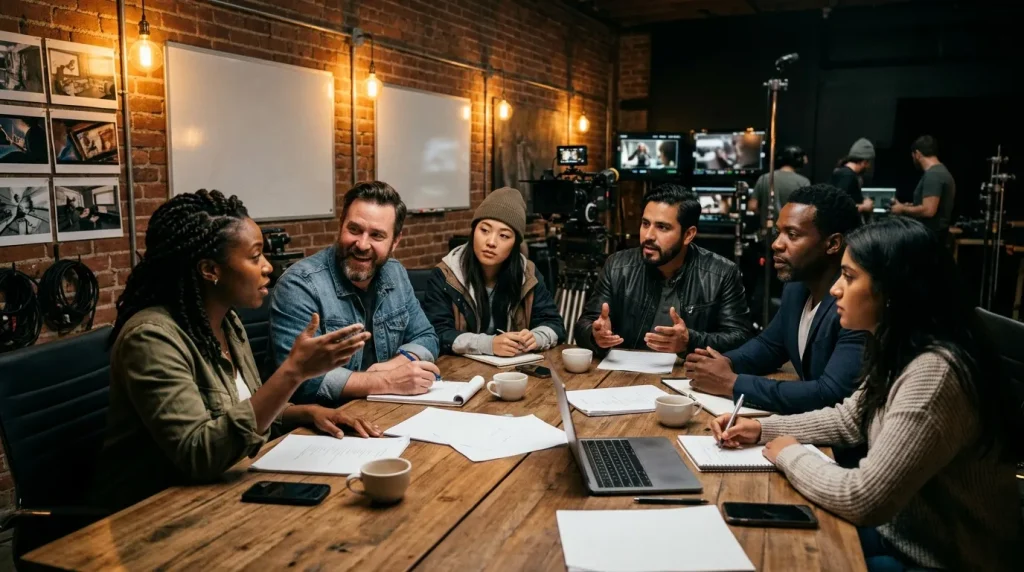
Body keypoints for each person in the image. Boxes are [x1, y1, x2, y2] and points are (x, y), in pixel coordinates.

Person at [710, 216, 1023, 571]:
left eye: (850, 277)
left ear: (893, 291)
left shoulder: (934, 373)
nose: (835, 290)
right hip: (904, 534)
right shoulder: (900, 346)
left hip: (943, 557)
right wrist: (764, 429)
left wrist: (790, 454)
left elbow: (863, 497)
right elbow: (849, 418)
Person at [92, 190, 382, 513]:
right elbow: (198, 454)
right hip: (153, 514)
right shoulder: (150, 339)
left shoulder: (227, 322)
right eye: (255, 256)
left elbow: (244, 409)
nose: (268, 266)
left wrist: (307, 413)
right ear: (210, 270)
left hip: (222, 496)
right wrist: (293, 372)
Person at [685, 184, 866, 415]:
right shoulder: (796, 288)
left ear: (832, 244)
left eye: (792, 235)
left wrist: (732, 383)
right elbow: (769, 346)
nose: (776, 244)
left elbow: (830, 394)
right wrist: (722, 363)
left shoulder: (855, 304)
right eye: (778, 232)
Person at [269, 181, 440, 406]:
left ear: (395, 241)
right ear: (341, 225)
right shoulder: (300, 285)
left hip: (386, 410)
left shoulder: (395, 273)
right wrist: (387, 381)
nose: (362, 244)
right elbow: (299, 380)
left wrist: (396, 365)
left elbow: (427, 337)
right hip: (323, 423)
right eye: (354, 230)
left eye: (377, 235)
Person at [575, 184, 752, 357]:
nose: (649, 235)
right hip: (624, 375)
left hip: (687, 376)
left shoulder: (722, 273)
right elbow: (585, 324)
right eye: (645, 224)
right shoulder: (617, 266)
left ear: (688, 235)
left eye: (662, 227)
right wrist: (595, 335)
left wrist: (690, 341)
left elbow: (740, 337)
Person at [423, 187, 565, 356]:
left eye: (504, 235)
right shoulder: (446, 275)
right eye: (484, 230)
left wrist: (536, 337)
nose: (491, 242)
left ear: (515, 245)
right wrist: (488, 344)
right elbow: (436, 333)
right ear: (473, 231)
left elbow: (555, 325)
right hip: (459, 375)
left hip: (513, 375)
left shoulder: (528, 275)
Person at [891, 135, 955, 244]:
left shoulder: (933, 175)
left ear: (917, 154)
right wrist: (908, 206)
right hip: (935, 236)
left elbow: (928, 210)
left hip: (930, 237)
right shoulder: (941, 172)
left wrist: (902, 209)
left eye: (913, 156)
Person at [748, 145, 811, 215]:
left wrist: (763, 215)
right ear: (799, 161)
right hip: (791, 225)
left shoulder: (764, 178)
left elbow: (752, 206)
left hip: (767, 225)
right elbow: (806, 210)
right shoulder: (804, 181)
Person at [830, 138, 875, 216]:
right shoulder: (847, 176)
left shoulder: (842, 173)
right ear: (864, 162)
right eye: (869, 163)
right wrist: (864, 207)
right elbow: (838, 208)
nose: (869, 167)